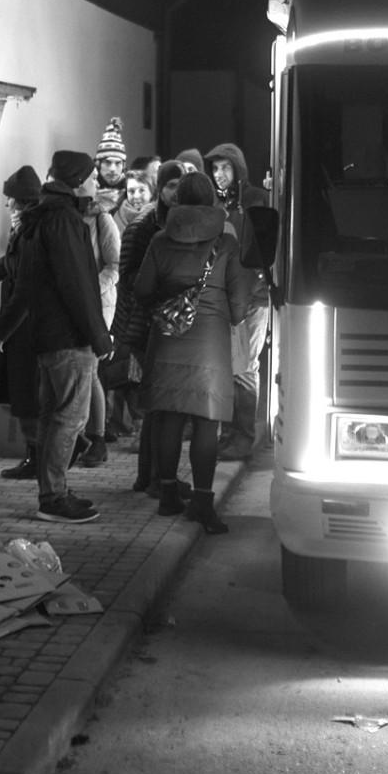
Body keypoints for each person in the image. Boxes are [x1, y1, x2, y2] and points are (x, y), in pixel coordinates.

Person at [0, 150, 112, 523]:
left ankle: (52, 489)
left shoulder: (39, 220)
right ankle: (54, 497)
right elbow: (77, 285)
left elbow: (25, 287)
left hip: (45, 337)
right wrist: (100, 336)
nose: (96, 183)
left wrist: (2, 330)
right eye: (92, 177)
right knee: (67, 419)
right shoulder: (63, 221)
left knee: (51, 417)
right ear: (78, 181)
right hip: (68, 338)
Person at [133, 170, 249, 533]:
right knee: (205, 422)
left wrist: (168, 303)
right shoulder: (226, 243)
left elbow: (141, 289)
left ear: (178, 201)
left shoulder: (159, 240)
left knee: (168, 416)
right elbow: (241, 305)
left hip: (168, 335)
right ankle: (201, 503)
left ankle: (168, 495)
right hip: (210, 343)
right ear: (212, 199)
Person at [115, 159, 189, 493]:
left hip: (168, 323)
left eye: (181, 185)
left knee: (159, 405)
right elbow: (127, 277)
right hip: (146, 324)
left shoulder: (185, 224)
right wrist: (159, 287)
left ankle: (149, 476)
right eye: (171, 185)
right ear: (161, 187)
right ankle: (156, 479)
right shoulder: (143, 226)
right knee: (158, 404)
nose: (176, 191)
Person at [206, 143, 273, 461]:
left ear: (238, 169)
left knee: (244, 368)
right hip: (227, 297)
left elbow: (262, 251)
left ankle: (244, 438)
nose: (219, 174)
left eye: (225, 167)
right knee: (231, 368)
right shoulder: (217, 204)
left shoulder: (255, 200)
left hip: (254, 297)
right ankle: (231, 434)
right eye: (215, 168)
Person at [0, 166, 46, 482]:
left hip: (26, 328)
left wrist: (1, 332)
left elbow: (23, 284)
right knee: (26, 397)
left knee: (29, 398)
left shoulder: (30, 231)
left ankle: (37, 458)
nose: (7, 206)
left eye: (10, 200)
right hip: (22, 327)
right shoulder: (25, 229)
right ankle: (35, 456)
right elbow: (8, 266)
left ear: (21, 202)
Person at [73, 172, 122, 468]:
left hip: (98, 301)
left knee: (90, 370)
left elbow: (115, 265)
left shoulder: (101, 218)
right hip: (75, 301)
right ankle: (79, 437)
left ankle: (98, 439)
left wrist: (90, 290)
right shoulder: (63, 217)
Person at [93, 117, 128, 215]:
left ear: (124, 166)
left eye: (118, 163)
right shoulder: (87, 190)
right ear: (98, 164)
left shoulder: (133, 191)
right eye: (107, 163)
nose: (113, 169)